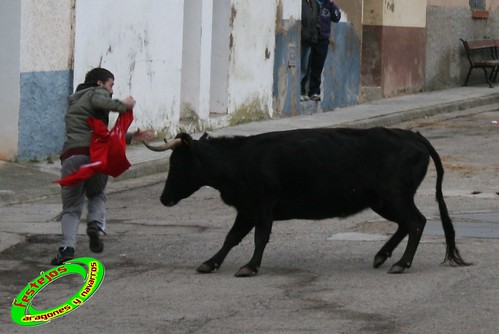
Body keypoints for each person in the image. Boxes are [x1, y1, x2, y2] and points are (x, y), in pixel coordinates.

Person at [52, 67, 154, 265]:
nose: (112, 91)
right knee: (97, 194)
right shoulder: (96, 92)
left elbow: (99, 135)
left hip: (73, 155)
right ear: (100, 83)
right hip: (96, 156)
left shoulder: (74, 102)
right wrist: (123, 105)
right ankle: (95, 225)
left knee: (71, 207)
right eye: (111, 85)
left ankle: (66, 249)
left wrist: (131, 136)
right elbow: (101, 102)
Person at [301, 0, 341, 102]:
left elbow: (336, 18)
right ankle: (301, 90)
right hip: (311, 38)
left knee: (318, 66)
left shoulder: (328, 5)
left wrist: (332, 4)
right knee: (306, 65)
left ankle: (314, 91)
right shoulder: (313, 3)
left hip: (323, 39)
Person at [300, 0, 319, 102]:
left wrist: (316, 30)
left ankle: (302, 91)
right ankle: (299, 90)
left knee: (305, 66)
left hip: (311, 39)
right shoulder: (301, 3)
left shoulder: (314, 4)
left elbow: (317, 19)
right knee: (301, 64)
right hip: (303, 38)